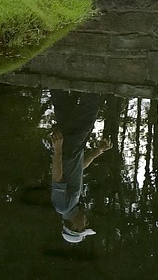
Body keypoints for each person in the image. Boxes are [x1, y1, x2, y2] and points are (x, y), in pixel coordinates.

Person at [49, 89, 111, 244]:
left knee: (87, 115)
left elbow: (57, 177)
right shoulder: (73, 204)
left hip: (68, 150)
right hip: (72, 151)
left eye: (84, 227)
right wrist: (98, 151)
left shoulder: (62, 207)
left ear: (75, 228)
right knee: (65, 110)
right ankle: (56, 80)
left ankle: (90, 81)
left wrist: (58, 150)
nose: (86, 223)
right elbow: (79, 168)